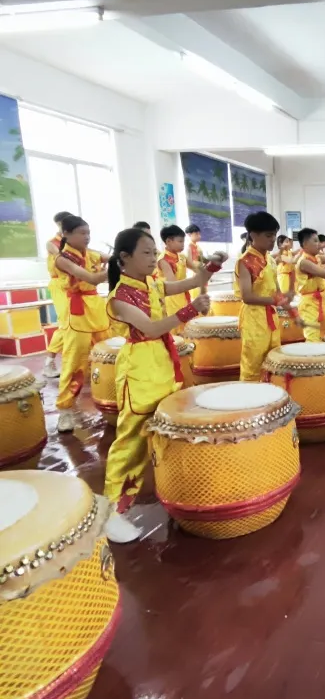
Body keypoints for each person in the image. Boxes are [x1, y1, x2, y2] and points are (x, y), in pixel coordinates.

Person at [103, 228, 222, 543]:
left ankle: (175, 489)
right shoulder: (119, 298)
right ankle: (112, 512)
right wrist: (190, 310)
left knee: (168, 428)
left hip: (163, 365)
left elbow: (189, 283)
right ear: (124, 258)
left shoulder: (152, 282)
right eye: (145, 252)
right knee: (130, 442)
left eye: (153, 251)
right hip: (140, 368)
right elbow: (152, 328)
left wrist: (210, 268)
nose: (152, 258)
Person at [53, 215, 111, 433]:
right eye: (81, 233)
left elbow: (109, 258)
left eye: (88, 232)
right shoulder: (62, 259)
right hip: (77, 313)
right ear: (66, 234)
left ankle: (114, 398)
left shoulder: (93, 254)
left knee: (112, 356)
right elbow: (92, 279)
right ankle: (65, 410)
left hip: (96, 308)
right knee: (74, 362)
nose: (87, 237)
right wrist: (116, 267)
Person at [236, 212, 294, 382]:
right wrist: (275, 300)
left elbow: (275, 291)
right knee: (253, 363)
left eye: (274, 235)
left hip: (271, 316)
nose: (272, 239)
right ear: (253, 235)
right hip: (254, 318)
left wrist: (286, 299)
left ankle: (270, 398)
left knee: (273, 358)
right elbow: (247, 296)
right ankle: (249, 403)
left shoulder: (270, 260)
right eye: (269, 235)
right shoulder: (245, 261)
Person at [43, 211, 73, 379]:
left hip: (75, 285)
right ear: (59, 225)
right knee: (66, 323)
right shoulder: (52, 243)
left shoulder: (74, 244)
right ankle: (49, 361)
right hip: (60, 286)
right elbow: (61, 256)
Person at [157, 225, 191, 329]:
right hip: (172, 297)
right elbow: (172, 283)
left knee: (187, 325)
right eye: (180, 241)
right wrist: (193, 282)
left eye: (183, 242)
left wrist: (210, 267)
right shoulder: (163, 259)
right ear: (168, 241)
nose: (183, 245)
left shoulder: (181, 256)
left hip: (183, 293)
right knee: (177, 327)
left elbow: (196, 267)